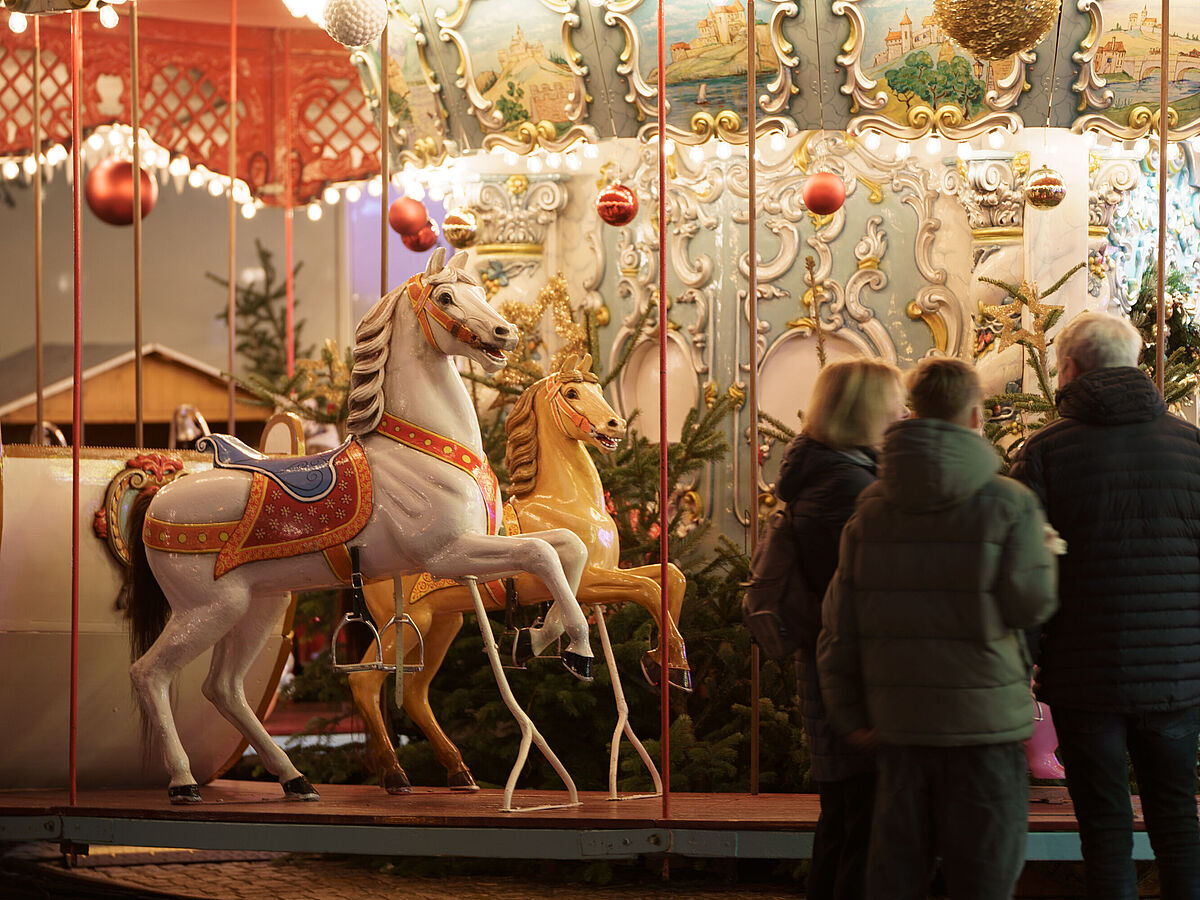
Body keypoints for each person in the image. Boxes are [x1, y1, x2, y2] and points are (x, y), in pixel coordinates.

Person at [817, 357, 1058, 900]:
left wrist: (853, 717)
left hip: (901, 730)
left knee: (896, 880)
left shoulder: (872, 507)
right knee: (984, 880)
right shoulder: (1010, 504)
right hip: (986, 732)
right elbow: (1030, 606)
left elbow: (838, 628)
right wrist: (1044, 554)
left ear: (913, 410)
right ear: (976, 415)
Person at [1010, 311, 1200, 900]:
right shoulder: (1193, 448)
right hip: (1177, 672)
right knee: (1178, 820)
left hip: (1084, 676)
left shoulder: (1043, 453)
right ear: (1136, 363)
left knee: (1104, 825)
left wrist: (1022, 662)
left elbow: (1024, 570)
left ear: (1067, 368)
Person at [775, 357, 905, 900]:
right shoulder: (851, 484)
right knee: (862, 823)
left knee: (844, 819)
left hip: (829, 661)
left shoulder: (829, 471)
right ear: (868, 410)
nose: (904, 412)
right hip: (852, 669)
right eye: (895, 402)